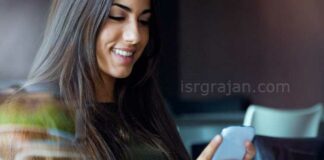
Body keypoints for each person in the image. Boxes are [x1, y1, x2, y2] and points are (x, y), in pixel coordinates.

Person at [23, 0, 256, 159]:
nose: (135, 36)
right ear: (77, 20)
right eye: (116, 16)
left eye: (143, 21)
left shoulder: (145, 106)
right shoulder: (34, 119)